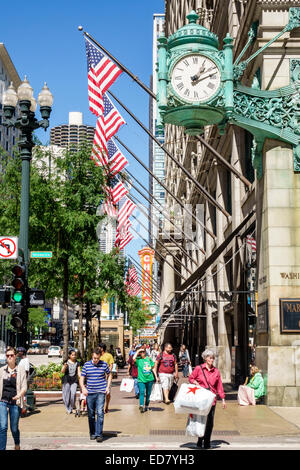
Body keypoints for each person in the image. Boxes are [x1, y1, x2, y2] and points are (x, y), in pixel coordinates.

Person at [189, 349, 226, 449]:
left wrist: (222, 399)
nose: (212, 359)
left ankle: (207, 442)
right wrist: (196, 383)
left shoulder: (216, 371)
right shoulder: (198, 368)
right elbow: (191, 378)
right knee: (201, 421)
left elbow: (219, 386)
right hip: (201, 399)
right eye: (210, 357)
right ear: (205, 358)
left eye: (213, 358)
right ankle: (200, 439)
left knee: (210, 422)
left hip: (211, 400)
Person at [80, 347, 112, 443]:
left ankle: (99, 434)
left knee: (100, 412)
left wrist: (108, 387)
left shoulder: (104, 364)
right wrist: (83, 388)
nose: (96, 360)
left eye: (97, 358)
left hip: (101, 392)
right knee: (91, 414)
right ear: (92, 356)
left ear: (100, 357)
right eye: (94, 358)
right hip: (90, 392)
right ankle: (92, 433)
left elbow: (109, 375)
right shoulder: (86, 365)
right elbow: (82, 378)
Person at [0, 346, 27, 450]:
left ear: (15, 356)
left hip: (15, 402)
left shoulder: (20, 370)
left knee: (14, 428)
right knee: (3, 427)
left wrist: (19, 395)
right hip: (2, 401)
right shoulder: (2, 370)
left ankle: (17, 443)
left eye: (11, 355)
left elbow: (24, 386)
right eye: (8, 356)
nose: (10, 357)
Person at [133, 347, 158, 413]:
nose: (142, 353)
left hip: (150, 379)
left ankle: (146, 405)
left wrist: (156, 376)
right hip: (141, 379)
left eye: (143, 352)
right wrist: (138, 350)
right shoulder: (138, 360)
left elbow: (153, 368)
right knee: (141, 392)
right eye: (141, 352)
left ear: (145, 352)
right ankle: (141, 405)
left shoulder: (149, 359)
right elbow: (133, 358)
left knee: (148, 393)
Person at [61, 349, 81, 414]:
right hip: (66, 380)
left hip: (74, 380)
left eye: (75, 355)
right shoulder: (66, 362)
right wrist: (64, 366)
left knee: (73, 393)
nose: (74, 356)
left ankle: (72, 407)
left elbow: (79, 373)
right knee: (66, 396)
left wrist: (81, 380)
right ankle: (68, 409)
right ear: (69, 355)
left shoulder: (77, 363)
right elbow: (62, 371)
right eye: (72, 355)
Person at [99, 343, 114, 414]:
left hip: (107, 377)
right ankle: (100, 407)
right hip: (99, 377)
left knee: (107, 393)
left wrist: (108, 374)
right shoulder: (97, 356)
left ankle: (107, 406)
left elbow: (111, 365)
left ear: (102, 348)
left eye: (99, 347)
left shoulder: (109, 355)